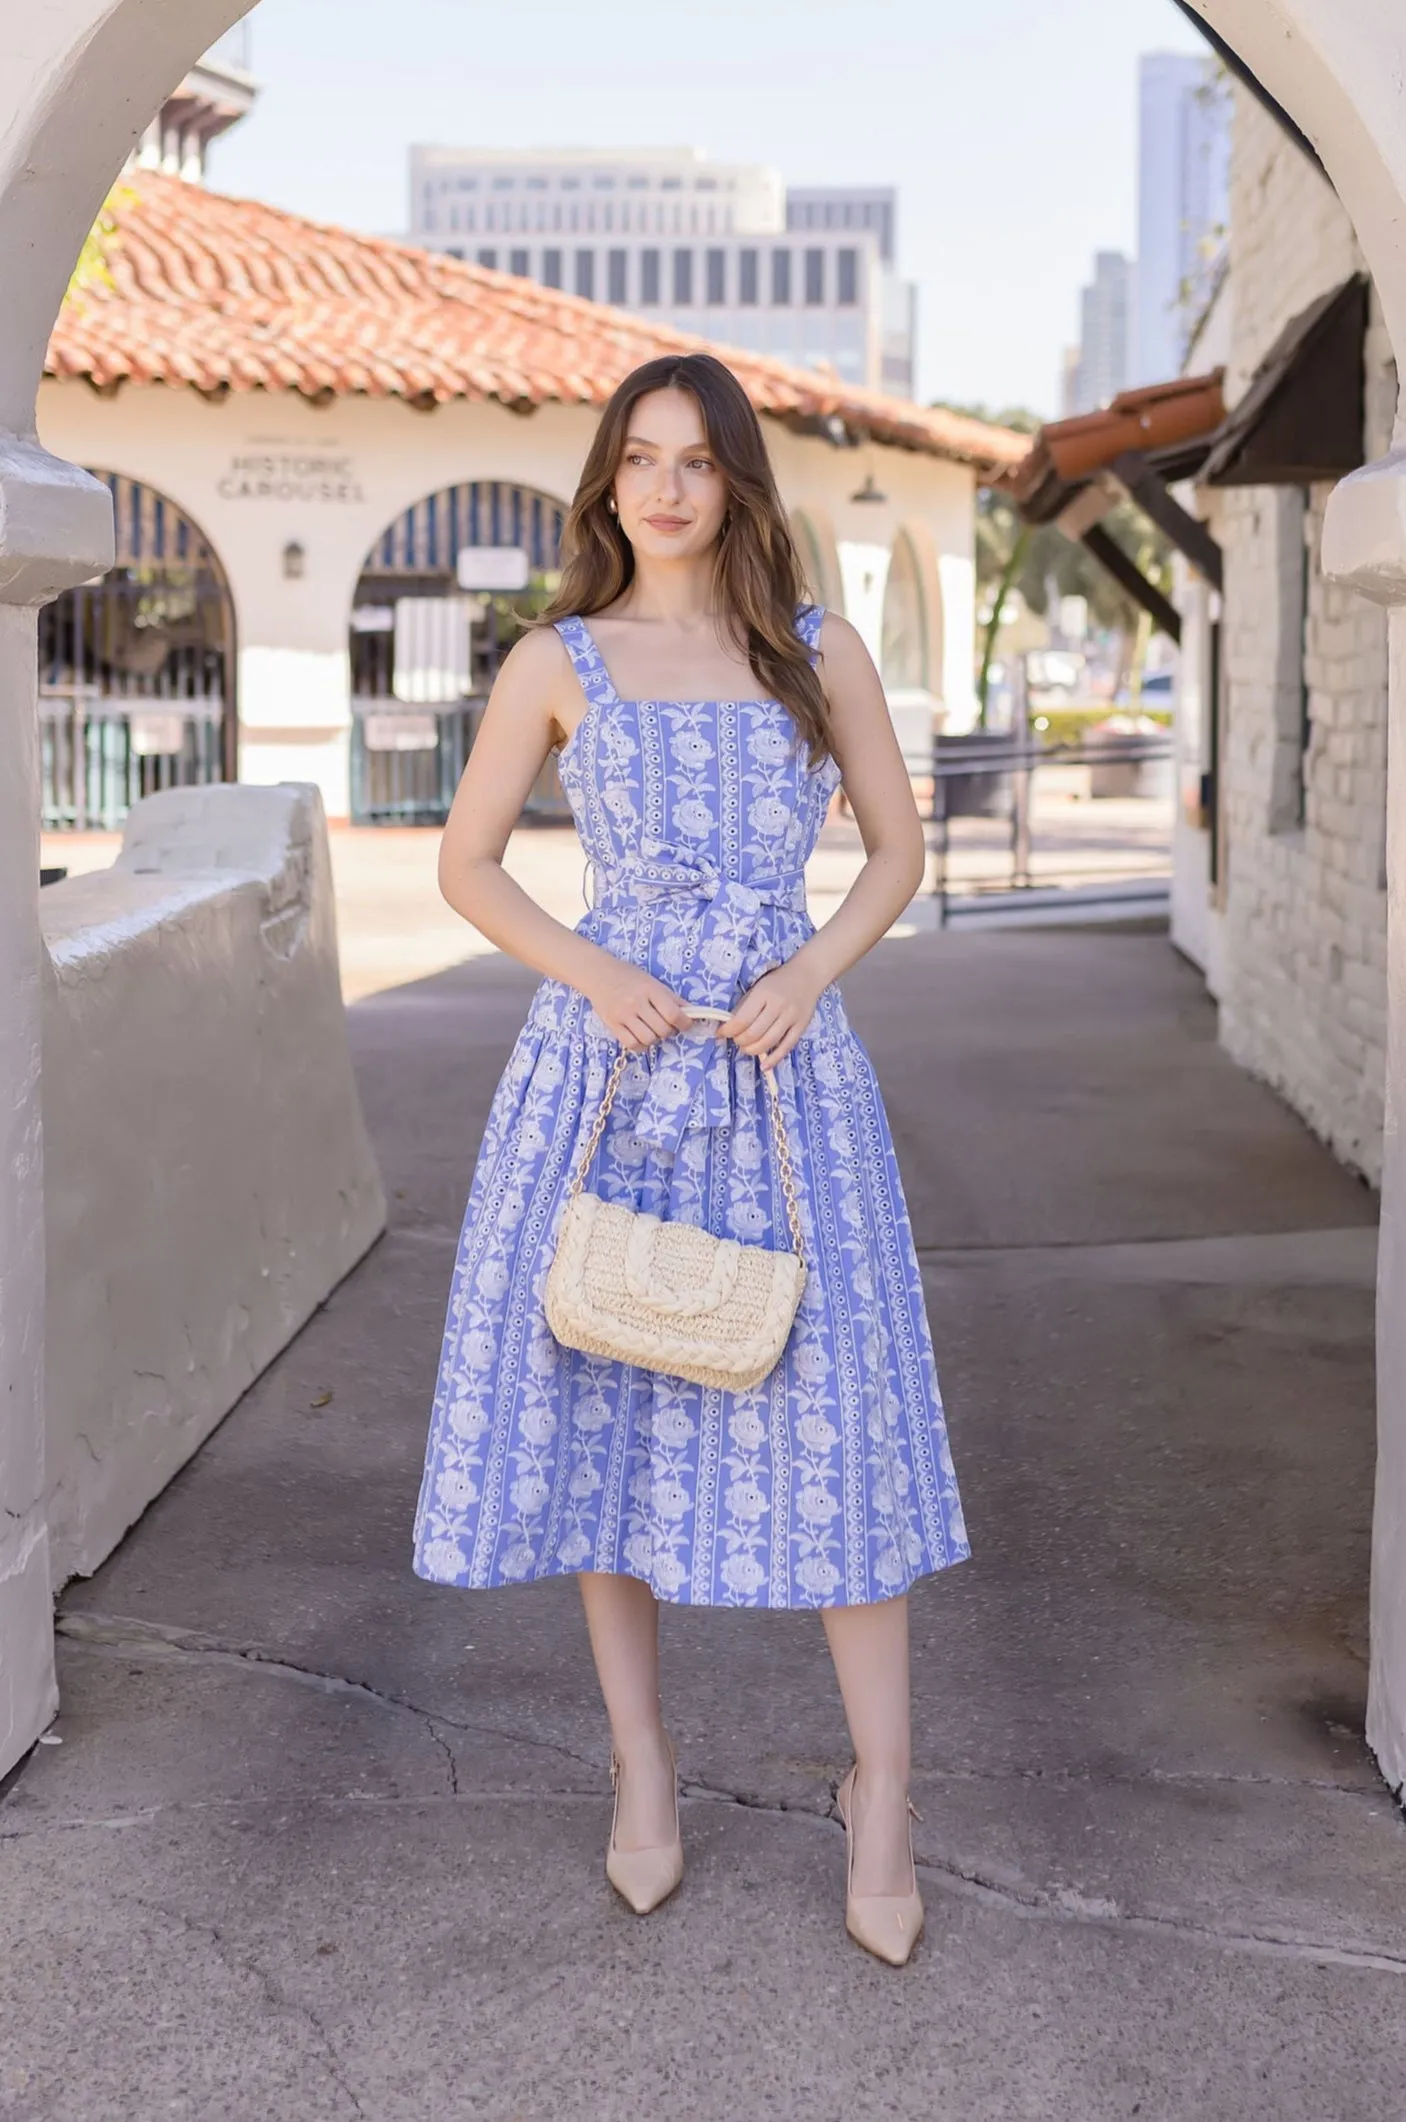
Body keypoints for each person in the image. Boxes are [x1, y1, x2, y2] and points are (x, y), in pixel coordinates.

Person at [412, 351, 969, 1965]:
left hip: (783, 1073)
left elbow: (895, 846)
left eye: (695, 460)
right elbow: (467, 864)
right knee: (612, 1414)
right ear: (607, 483)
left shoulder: (814, 648)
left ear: (736, 481)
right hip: (612, 1074)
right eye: (638, 458)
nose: (664, 486)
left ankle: (882, 1791)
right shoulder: (558, 658)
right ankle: (640, 1765)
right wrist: (591, 973)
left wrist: (809, 969)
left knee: (840, 1421)